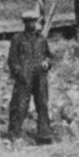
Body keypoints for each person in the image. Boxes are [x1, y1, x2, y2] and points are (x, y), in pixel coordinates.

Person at [7, 9, 53, 144]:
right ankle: (14, 133)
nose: (31, 24)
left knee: (42, 104)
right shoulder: (17, 39)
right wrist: (19, 72)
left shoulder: (42, 39)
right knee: (20, 104)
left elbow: (49, 56)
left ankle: (44, 134)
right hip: (24, 76)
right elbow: (12, 60)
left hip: (40, 75)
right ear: (24, 23)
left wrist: (47, 63)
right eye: (28, 22)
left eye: (33, 21)